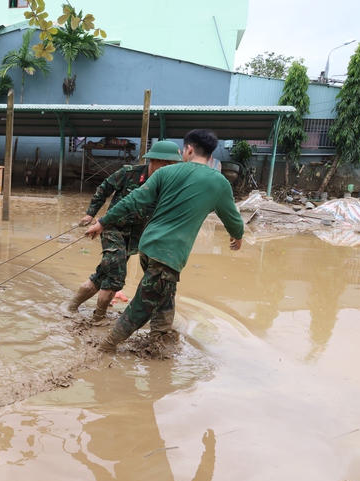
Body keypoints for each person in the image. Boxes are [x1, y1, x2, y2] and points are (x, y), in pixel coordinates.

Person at [84, 129, 245, 352]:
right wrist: (237, 238)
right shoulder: (219, 183)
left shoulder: (165, 173)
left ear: (188, 149)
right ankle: (104, 347)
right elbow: (234, 220)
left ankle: (159, 339)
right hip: (170, 254)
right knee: (143, 305)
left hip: (147, 247)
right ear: (210, 154)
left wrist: (101, 222)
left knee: (165, 294)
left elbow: (132, 200)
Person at [69, 140, 182, 323]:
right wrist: (90, 214)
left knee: (104, 273)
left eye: (173, 166)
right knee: (116, 276)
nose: (170, 170)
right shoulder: (128, 173)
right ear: (152, 161)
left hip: (137, 235)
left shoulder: (168, 185)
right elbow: (103, 189)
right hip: (112, 227)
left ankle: (70, 307)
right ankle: (98, 318)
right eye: (167, 165)